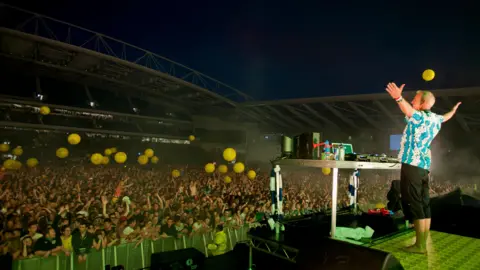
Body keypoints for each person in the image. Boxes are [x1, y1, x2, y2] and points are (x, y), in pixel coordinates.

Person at [385, 83, 461, 254]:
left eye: (416, 99)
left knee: (415, 203)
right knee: (424, 203)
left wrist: (398, 97)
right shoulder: (435, 118)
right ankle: (423, 242)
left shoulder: (420, 117)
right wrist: (453, 111)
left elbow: (407, 110)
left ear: (424, 103)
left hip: (412, 164)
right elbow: (445, 117)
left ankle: (419, 245)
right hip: (424, 165)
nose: (412, 100)